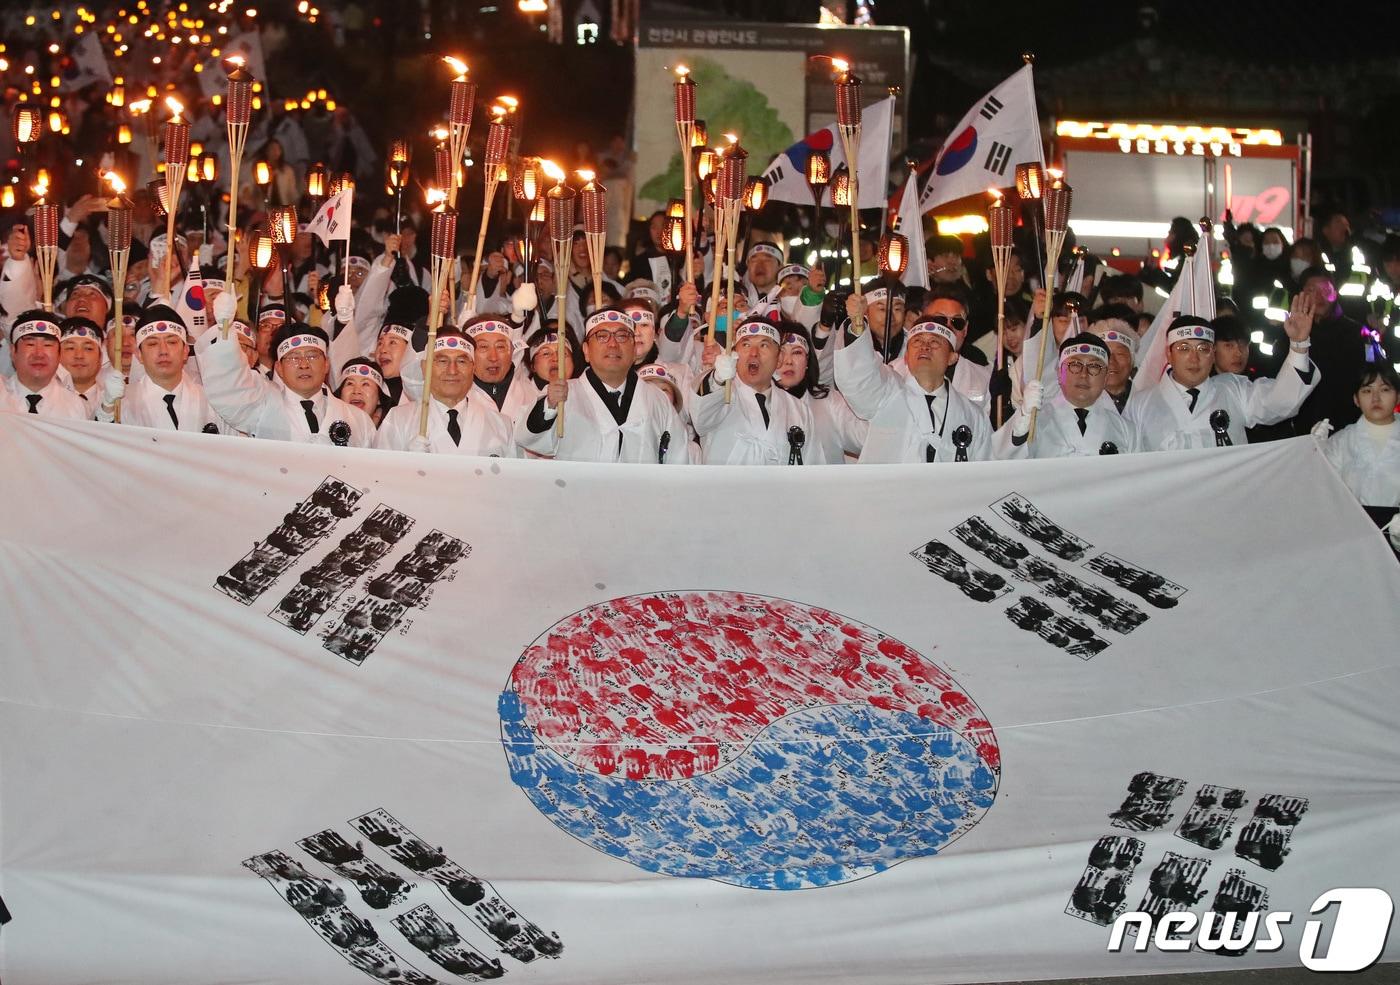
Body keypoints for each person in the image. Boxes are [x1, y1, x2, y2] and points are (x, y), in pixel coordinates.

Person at [1126, 302, 1319, 451]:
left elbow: (1279, 401)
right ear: (1169, 354)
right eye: (1184, 349)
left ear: (1213, 354)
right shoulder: (1140, 404)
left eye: (1203, 349)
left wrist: (1299, 344)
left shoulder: (1233, 389)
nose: (1194, 358)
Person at [516, 307, 687, 463]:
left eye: (622, 336)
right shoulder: (564, 395)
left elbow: (678, 458)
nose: (613, 344)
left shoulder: (658, 400)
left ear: (635, 350)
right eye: (602, 336)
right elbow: (528, 438)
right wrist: (550, 405)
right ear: (586, 351)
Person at [835, 314, 993, 463]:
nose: (925, 347)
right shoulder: (886, 392)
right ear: (906, 356)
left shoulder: (973, 416)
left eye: (935, 342)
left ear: (952, 357)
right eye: (917, 342)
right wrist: (856, 327)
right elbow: (860, 377)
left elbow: (984, 472)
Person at [197, 322, 375, 446]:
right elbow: (230, 386)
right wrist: (224, 331)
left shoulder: (358, 420)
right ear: (279, 368)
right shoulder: (262, 404)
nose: (304, 364)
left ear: (327, 364)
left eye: (312, 356)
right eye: (293, 358)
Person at [691, 317, 824, 465]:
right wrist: (717, 378)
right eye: (746, 344)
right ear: (734, 353)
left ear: (778, 358)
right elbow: (702, 416)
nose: (754, 353)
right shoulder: (722, 394)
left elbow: (813, 467)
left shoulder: (799, 411)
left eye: (764, 345)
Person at [995, 334, 1140, 459]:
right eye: (1075, 365)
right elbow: (1003, 461)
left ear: (1106, 377)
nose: (1084, 374)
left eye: (1094, 367)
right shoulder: (1033, 419)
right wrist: (1023, 420)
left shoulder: (1126, 430)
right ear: (1059, 373)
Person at [375, 330, 514, 456]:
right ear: (424, 368)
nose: (452, 370)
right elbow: (378, 477)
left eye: (461, 361)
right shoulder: (398, 420)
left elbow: (515, 480)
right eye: (442, 361)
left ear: (474, 368)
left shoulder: (502, 426)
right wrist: (407, 465)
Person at [1314, 363, 1400, 532]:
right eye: (1367, 391)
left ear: (1398, 397)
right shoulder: (1340, 441)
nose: (1375, 398)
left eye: (1384, 390)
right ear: (1356, 399)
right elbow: (1323, 490)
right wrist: (1314, 453)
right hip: (1351, 529)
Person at [116, 306, 224, 433]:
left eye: (172, 342)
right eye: (152, 344)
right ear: (139, 354)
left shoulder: (212, 401)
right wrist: (107, 411)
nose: (163, 351)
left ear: (185, 351)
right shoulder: (121, 403)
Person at [773, 324, 865, 463]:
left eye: (797, 352)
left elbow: (865, 438)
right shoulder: (757, 402)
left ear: (807, 361)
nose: (788, 361)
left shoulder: (829, 401)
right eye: (780, 352)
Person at [4, 311, 97, 419]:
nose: (39, 354)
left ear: (59, 354)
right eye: (30, 344)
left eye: (47, 345)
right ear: (13, 351)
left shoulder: (76, 406)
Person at [58, 316, 107, 415]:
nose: (79, 356)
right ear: (56, 354)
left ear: (101, 357)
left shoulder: (116, 401)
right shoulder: (43, 399)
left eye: (88, 348)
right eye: (70, 348)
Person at [337, 357, 389, 427]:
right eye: (350, 383)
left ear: (379, 398)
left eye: (365, 384)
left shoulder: (393, 433)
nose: (356, 391)